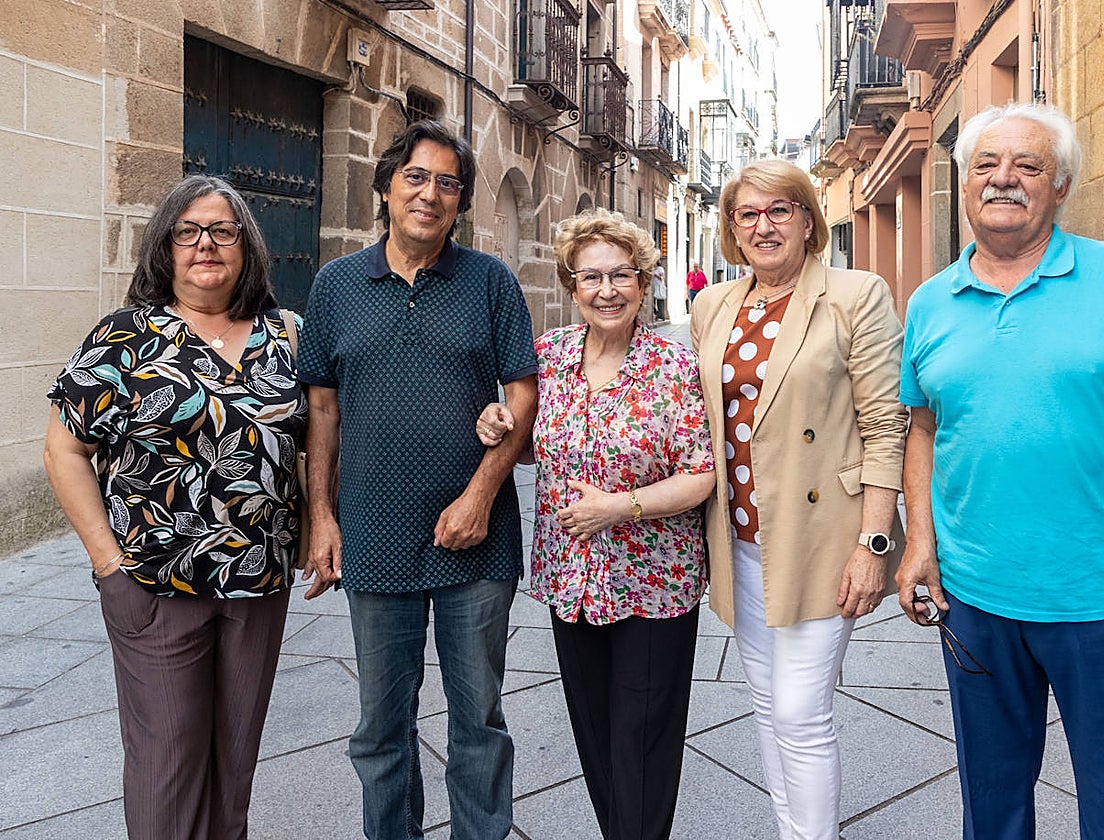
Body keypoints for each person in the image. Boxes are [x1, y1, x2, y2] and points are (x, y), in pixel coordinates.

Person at [896, 102, 1104, 840]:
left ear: (1060, 185)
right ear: (966, 184)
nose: (1004, 180)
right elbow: (923, 427)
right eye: (986, 167)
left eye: (1027, 166)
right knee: (992, 808)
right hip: (976, 598)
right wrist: (918, 546)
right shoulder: (931, 302)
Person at [42, 174, 305, 839]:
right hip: (154, 584)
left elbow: (321, 436)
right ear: (166, 246)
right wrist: (108, 564)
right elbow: (63, 451)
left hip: (256, 586)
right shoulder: (124, 339)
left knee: (232, 769)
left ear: (247, 245)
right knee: (166, 765)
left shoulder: (287, 334)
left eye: (222, 230)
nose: (205, 244)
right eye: (188, 231)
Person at [297, 120, 537, 840]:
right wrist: (322, 517)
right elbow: (322, 407)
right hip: (371, 534)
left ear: (460, 201)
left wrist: (479, 495)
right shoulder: (337, 285)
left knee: (478, 723)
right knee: (380, 729)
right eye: (415, 177)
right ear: (386, 187)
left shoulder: (490, 282)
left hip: (477, 540)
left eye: (447, 182)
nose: (429, 194)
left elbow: (522, 394)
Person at [477, 208, 715, 839]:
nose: (607, 290)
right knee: (596, 737)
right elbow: (527, 440)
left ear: (643, 284)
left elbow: (701, 474)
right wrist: (496, 422)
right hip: (572, 580)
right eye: (592, 278)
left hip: (654, 583)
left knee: (642, 741)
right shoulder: (548, 357)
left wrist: (618, 507)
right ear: (571, 285)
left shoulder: (673, 366)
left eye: (622, 276)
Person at [690, 159, 907, 839]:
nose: (764, 225)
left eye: (780, 209)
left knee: (799, 713)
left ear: (809, 221)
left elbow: (884, 428)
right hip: (743, 539)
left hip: (824, 539)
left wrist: (874, 546)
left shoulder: (855, 294)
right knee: (765, 704)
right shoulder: (712, 306)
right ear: (731, 229)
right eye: (748, 214)